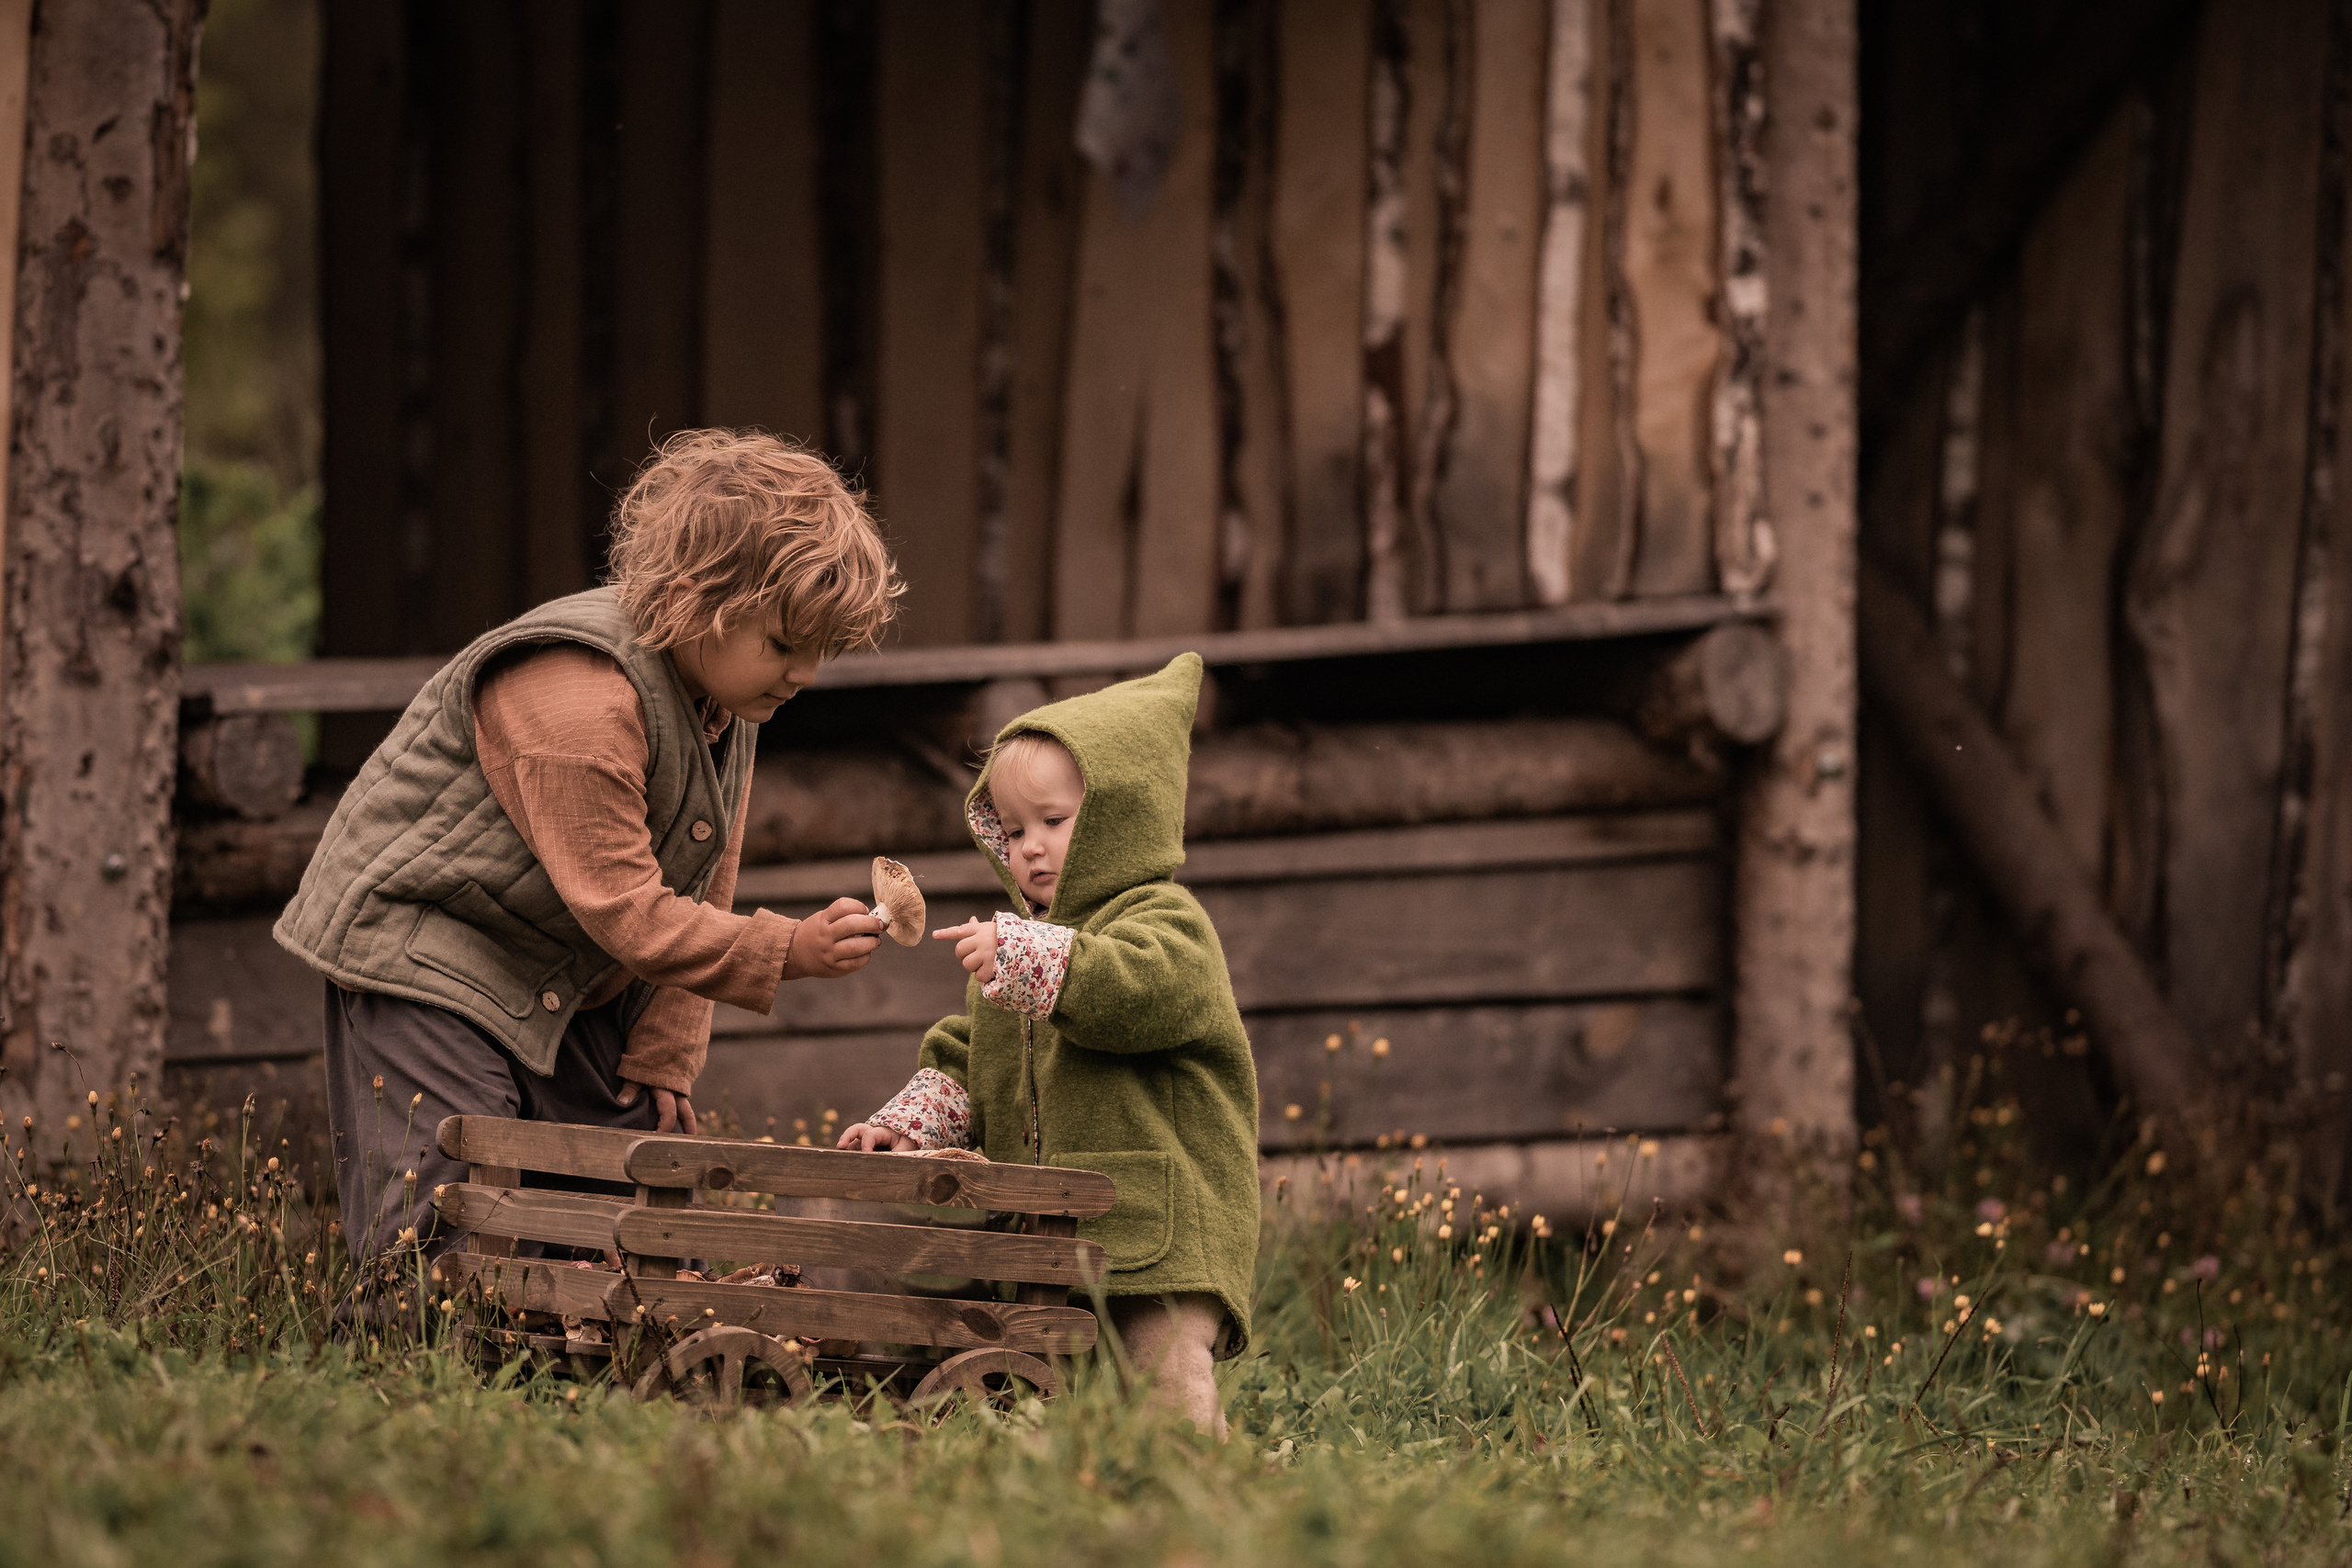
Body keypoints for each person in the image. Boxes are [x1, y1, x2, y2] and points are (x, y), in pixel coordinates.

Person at [275, 429, 900, 1270]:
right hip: (428, 945)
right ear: (693, 598)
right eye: (785, 644)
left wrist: (667, 1051)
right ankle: (421, 1363)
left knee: (624, 1163)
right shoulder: (577, 701)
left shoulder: (726, 696)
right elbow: (629, 910)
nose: (805, 674)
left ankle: (581, 1362)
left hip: (557, 959)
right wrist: (788, 947)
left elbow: (705, 878)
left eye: (821, 649)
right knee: (456, 1174)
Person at [838, 656, 1260, 1438]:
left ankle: (1201, 1484)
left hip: (1154, 1223)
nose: (1030, 848)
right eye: (1015, 829)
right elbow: (971, 1059)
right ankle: (1076, 1482)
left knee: (1160, 1365)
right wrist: (915, 1123)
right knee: (1052, 1377)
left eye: (1054, 822)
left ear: (1119, 814)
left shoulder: (1166, 922)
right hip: (1053, 1230)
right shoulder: (1019, 951)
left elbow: (1138, 992)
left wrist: (1031, 959)